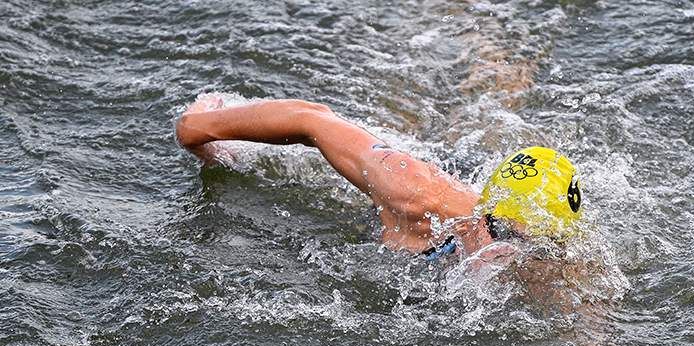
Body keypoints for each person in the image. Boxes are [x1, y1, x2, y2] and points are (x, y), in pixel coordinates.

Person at [175, 95, 582, 261]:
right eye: (504, 234)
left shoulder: (558, 253)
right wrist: (201, 130)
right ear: (487, 212)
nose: (506, 254)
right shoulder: (410, 190)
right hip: (433, 170)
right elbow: (311, 120)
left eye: (536, 245)